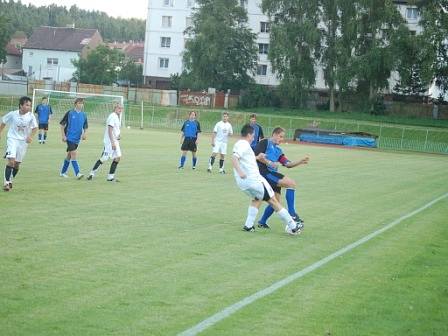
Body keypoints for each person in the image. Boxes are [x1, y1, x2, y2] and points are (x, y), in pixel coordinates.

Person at [232, 123, 302, 235]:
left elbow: (245, 158)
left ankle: (249, 226)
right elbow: (234, 158)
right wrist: (240, 172)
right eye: (253, 135)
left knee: (256, 199)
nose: (254, 138)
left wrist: (258, 158)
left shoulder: (241, 145)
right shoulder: (244, 144)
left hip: (244, 183)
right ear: (249, 134)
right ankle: (293, 226)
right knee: (274, 201)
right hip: (254, 180)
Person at [254, 127, 309, 229]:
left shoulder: (278, 150)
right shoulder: (265, 143)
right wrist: (269, 163)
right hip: (265, 173)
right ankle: (292, 213)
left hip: (271, 174)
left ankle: (262, 222)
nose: (282, 139)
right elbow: (256, 156)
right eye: (280, 136)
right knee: (291, 183)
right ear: (274, 134)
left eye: (283, 137)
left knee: (275, 203)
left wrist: (300, 162)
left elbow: (288, 164)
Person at [0, 96, 38, 191]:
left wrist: (30, 137)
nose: (29, 107)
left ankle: (11, 179)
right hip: (12, 139)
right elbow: (3, 122)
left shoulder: (31, 116)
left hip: (23, 142)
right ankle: (6, 183)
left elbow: (35, 128)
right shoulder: (13, 114)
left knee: (17, 164)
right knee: (11, 161)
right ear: (21, 105)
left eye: (29, 105)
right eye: (27, 105)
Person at [87, 103, 123, 182]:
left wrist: (118, 135)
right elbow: (110, 130)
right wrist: (112, 142)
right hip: (110, 142)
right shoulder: (112, 116)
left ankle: (110, 177)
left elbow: (115, 129)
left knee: (117, 157)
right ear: (115, 108)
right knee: (104, 158)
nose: (120, 110)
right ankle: (92, 173)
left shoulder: (116, 117)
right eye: (119, 108)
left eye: (121, 108)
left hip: (115, 141)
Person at [59, 98, 88, 179]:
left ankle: (63, 172)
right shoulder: (70, 113)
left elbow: (85, 126)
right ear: (75, 104)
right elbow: (62, 124)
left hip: (77, 139)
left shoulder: (84, 115)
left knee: (69, 155)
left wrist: (85, 133)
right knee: (74, 154)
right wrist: (63, 136)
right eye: (79, 103)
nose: (81, 105)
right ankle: (78, 173)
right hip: (69, 137)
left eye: (82, 103)